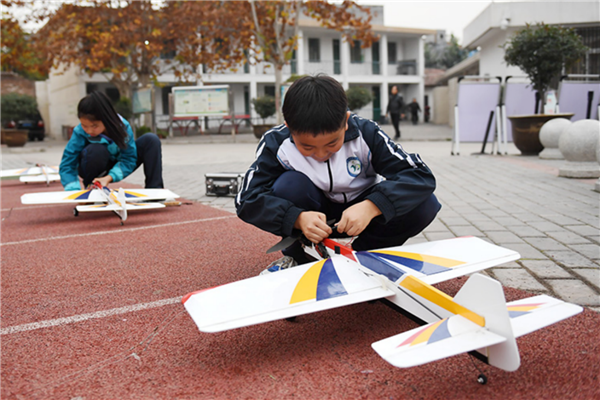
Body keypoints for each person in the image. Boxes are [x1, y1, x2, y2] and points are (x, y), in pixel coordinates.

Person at [236, 75, 441, 274]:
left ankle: (365, 253)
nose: (320, 154)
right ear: (290, 128)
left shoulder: (367, 133)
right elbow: (247, 198)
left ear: (345, 121)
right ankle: (300, 256)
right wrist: (296, 218)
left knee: (425, 203)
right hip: (314, 220)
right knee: (289, 185)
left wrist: (373, 206)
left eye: (332, 143)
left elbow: (419, 175)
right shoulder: (276, 142)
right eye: (306, 147)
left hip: (362, 214)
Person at [59, 91, 164, 191]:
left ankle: (155, 189)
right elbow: (67, 164)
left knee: (151, 140)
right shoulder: (80, 131)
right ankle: (92, 188)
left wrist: (109, 177)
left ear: (106, 120)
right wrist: (73, 191)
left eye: (94, 126)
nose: (89, 130)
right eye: (85, 125)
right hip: (92, 163)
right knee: (96, 150)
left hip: (118, 164)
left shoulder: (123, 127)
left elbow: (129, 159)